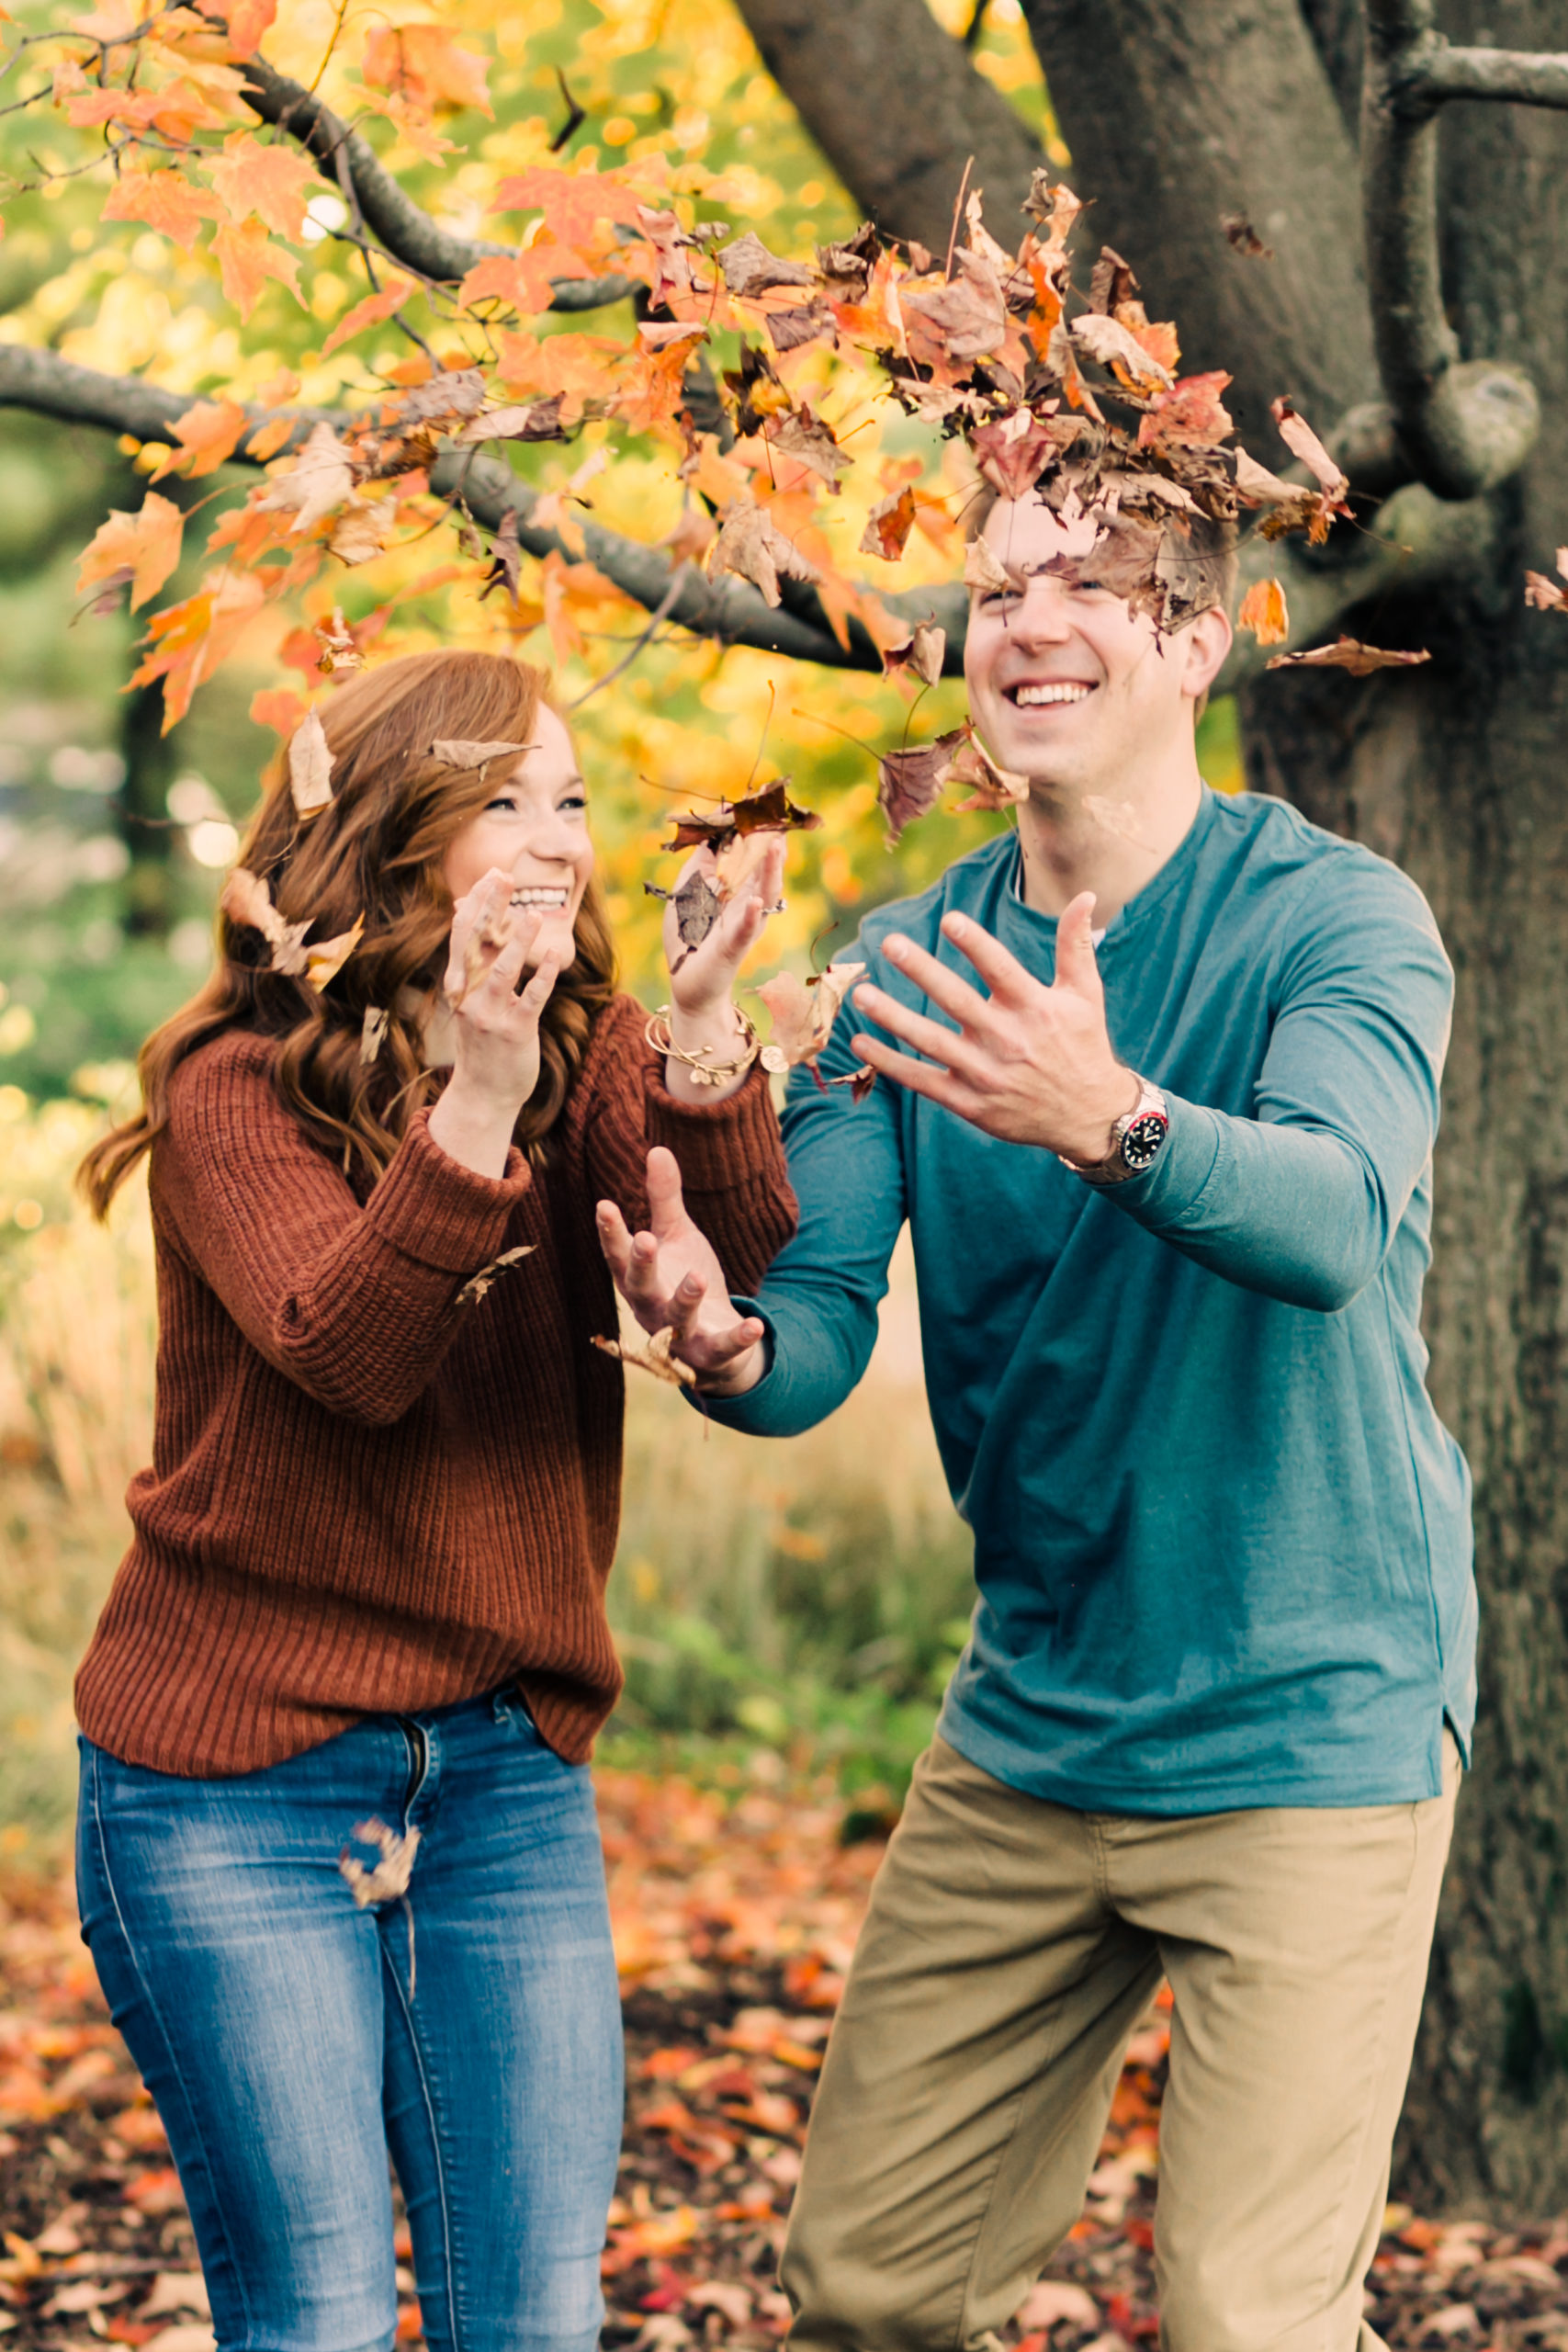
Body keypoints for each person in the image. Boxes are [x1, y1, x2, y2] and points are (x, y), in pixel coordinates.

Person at [596, 486, 1476, 2352]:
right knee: (866, 2283)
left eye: (1091, 583)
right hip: (1037, 1716)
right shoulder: (888, 974)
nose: (1029, 619)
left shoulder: (1335, 920)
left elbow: (1329, 1219)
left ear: (1190, 640)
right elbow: (817, 1325)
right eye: (996, 587)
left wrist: (1109, 1116)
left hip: (1304, 1709)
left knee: (1249, 2316)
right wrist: (720, 1338)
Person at [73, 649, 795, 2352]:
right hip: (232, 1782)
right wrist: (475, 1097)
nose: (558, 840)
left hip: (496, 1778)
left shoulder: (595, 1048)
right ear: (398, 838)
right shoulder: (233, 1093)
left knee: (528, 2319)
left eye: (574, 802)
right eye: (506, 803)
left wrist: (697, 1029)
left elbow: (751, 1261)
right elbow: (352, 1356)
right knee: (315, 2315)